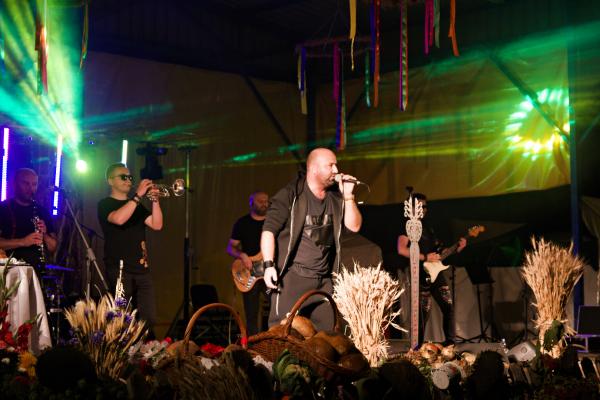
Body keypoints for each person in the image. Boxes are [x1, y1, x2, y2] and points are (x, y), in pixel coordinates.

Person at [261, 147, 362, 331]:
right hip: (293, 278)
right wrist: (268, 266)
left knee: (327, 335)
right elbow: (269, 231)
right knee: (280, 333)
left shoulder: (336, 196)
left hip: (323, 281)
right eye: (330, 165)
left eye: (336, 165)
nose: (336, 170)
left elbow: (354, 227)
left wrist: (348, 196)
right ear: (314, 168)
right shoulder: (291, 195)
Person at [97, 163, 163, 335]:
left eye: (130, 177)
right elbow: (119, 219)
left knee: (149, 318)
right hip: (119, 269)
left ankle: (145, 348)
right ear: (110, 181)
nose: (128, 180)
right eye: (123, 177)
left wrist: (155, 201)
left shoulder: (136, 205)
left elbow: (157, 225)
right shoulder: (105, 204)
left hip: (142, 268)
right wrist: (138, 196)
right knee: (123, 318)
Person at [397, 192, 466, 346]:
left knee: (448, 306)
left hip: (436, 272)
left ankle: (450, 343)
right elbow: (401, 249)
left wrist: (457, 248)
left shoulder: (428, 228)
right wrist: (425, 257)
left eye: (425, 206)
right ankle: (417, 347)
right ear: (411, 208)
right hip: (420, 274)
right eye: (420, 206)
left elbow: (439, 253)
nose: (424, 209)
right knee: (423, 313)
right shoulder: (407, 226)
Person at [226, 191, 269, 335]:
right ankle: (254, 344)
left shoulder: (273, 222)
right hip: (250, 273)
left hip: (269, 272)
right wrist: (242, 255)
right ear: (251, 203)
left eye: (266, 201)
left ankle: (273, 341)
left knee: (276, 307)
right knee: (251, 314)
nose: (264, 204)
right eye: (260, 201)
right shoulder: (242, 223)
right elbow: (230, 247)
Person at [0, 168, 57, 269]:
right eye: (26, 183)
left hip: (35, 269)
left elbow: (53, 247)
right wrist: (23, 242)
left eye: (34, 184)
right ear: (16, 184)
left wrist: (44, 234)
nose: (30, 188)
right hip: (9, 269)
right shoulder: (3, 208)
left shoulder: (42, 211)